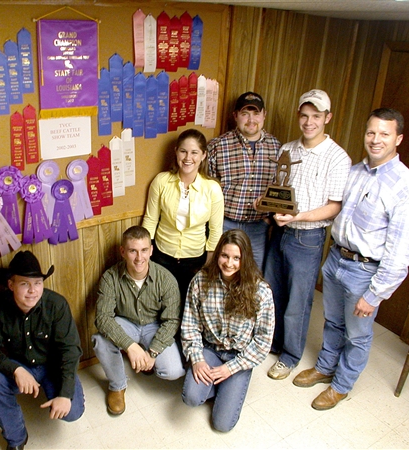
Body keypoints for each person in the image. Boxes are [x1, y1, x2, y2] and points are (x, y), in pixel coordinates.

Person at [293, 108, 409, 410]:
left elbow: (401, 253)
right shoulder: (355, 172)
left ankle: (341, 385)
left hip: (366, 271)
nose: (376, 140)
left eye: (384, 134)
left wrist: (375, 294)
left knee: (357, 334)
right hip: (337, 259)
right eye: (371, 132)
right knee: (332, 321)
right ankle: (325, 368)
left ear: (399, 138)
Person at [264, 89, 351, 381]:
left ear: (327, 118)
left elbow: (334, 206)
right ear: (298, 116)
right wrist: (273, 209)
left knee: (298, 302)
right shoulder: (287, 148)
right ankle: (273, 343)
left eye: (316, 116)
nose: (309, 122)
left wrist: (298, 216)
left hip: (308, 238)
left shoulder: (337, 158)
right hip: (279, 232)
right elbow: (279, 190)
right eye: (304, 115)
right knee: (273, 292)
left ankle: (289, 357)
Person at [0, 251, 85, 450]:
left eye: (37, 283)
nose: (32, 291)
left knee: (74, 411)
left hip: (53, 365)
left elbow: (71, 350)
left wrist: (64, 394)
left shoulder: (57, 305)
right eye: (25, 284)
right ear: (11, 285)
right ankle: (16, 439)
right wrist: (15, 370)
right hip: (19, 365)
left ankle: (59, 394)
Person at [181, 229, 274, 432]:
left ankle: (226, 386)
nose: (229, 263)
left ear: (245, 259)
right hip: (210, 349)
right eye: (224, 255)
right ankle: (217, 386)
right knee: (191, 397)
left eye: (236, 258)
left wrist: (230, 369)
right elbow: (190, 324)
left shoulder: (261, 291)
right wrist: (197, 359)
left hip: (238, 357)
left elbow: (263, 342)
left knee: (222, 425)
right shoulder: (200, 281)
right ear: (217, 255)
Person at [93, 225, 185, 415]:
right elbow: (102, 318)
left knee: (173, 371)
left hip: (154, 326)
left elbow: (172, 321)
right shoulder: (110, 277)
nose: (139, 257)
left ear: (151, 250)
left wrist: (153, 352)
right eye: (133, 251)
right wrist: (130, 346)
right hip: (126, 324)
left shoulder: (166, 278)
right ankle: (117, 385)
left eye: (144, 250)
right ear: (123, 252)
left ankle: (143, 355)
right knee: (100, 340)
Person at [142, 128, 224, 301]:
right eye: (183, 151)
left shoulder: (212, 189)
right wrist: (145, 254)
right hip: (162, 256)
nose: (188, 158)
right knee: (162, 304)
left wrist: (208, 265)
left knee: (188, 309)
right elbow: (150, 220)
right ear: (176, 152)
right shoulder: (161, 181)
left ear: (203, 155)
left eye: (194, 152)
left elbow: (216, 231)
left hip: (195, 260)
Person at [208, 92, 281, 271]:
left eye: (256, 113)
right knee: (221, 273)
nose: (251, 119)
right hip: (225, 223)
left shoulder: (277, 147)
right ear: (235, 116)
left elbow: (281, 188)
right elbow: (206, 190)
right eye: (245, 114)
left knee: (253, 276)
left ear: (264, 114)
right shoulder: (217, 146)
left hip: (258, 226)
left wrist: (268, 219)